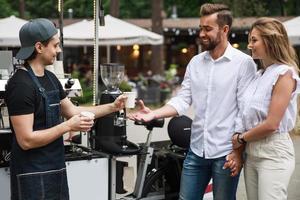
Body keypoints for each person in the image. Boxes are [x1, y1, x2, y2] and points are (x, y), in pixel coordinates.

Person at [129, 3, 257, 200]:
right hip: (196, 150)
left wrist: (237, 151)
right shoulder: (195, 62)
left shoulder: (243, 63)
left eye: (208, 29)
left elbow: (244, 111)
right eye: (200, 28)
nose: (202, 34)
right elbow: (182, 100)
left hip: (226, 152)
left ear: (224, 30)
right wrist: (154, 113)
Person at [5, 18, 127, 200]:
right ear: (39, 47)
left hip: (56, 167)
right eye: (55, 45)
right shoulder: (21, 85)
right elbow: (26, 140)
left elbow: (72, 112)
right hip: (32, 173)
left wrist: (112, 106)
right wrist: (68, 127)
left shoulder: (51, 78)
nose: (59, 50)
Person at [232, 17, 299, 200]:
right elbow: (244, 113)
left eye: (254, 40)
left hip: (274, 152)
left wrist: (240, 138)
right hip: (252, 152)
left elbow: (271, 124)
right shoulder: (259, 75)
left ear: (270, 40)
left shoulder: (285, 73)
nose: (249, 45)